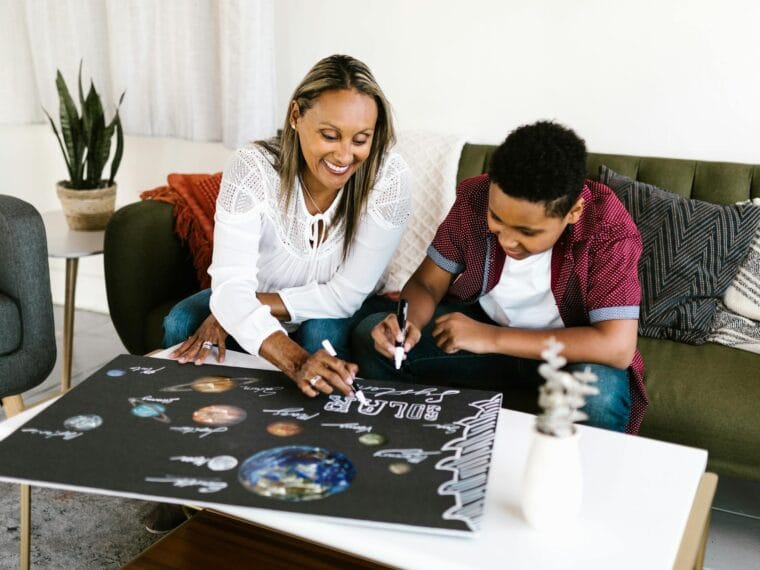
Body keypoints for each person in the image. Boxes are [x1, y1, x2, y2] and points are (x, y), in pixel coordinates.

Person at [146, 54, 408, 533]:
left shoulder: (388, 179)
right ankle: (181, 480)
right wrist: (251, 320)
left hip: (328, 302)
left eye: (361, 138)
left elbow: (345, 297)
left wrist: (241, 311)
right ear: (296, 116)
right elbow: (229, 284)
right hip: (256, 291)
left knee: (323, 334)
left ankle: (304, 494)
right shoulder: (253, 167)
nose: (345, 154)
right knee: (183, 326)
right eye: (329, 134)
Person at [352, 120, 648, 435]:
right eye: (497, 219)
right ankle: (424, 445)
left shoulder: (608, 230)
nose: (507, 240)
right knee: (371, 338)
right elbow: (427, 283)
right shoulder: (475, 197)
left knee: (599, 396)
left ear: (573, 212)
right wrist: (408, 323)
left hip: (566, 354)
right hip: (483, 343)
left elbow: (616, 347)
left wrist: (489, 338)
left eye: (527, 232)